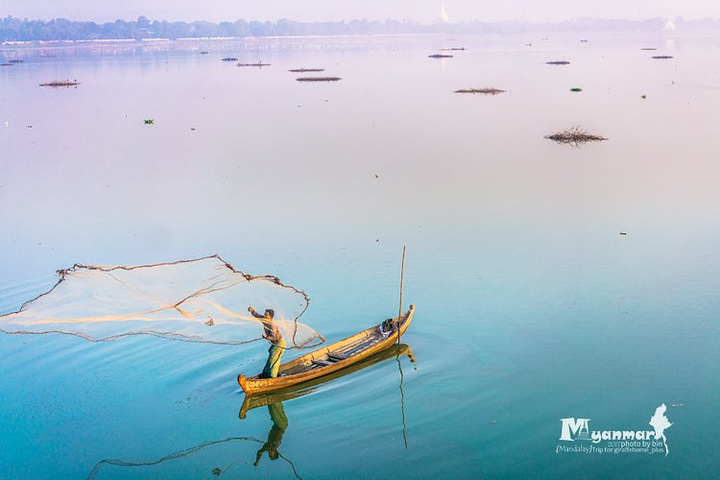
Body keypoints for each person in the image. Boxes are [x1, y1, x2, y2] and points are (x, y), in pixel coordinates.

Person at [248, 306, 285, 378]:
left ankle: (272, 377)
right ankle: (273, 374)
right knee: (273, 359)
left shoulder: (272, 325)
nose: (264, 315)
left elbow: (274, 338)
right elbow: (257, 315)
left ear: (270, 316)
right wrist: (252, 310)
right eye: (264, 314)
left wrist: (266, 337)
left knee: (272, 360)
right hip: (276, 343)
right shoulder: (264, 319)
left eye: (266, 315)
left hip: (279, 343)